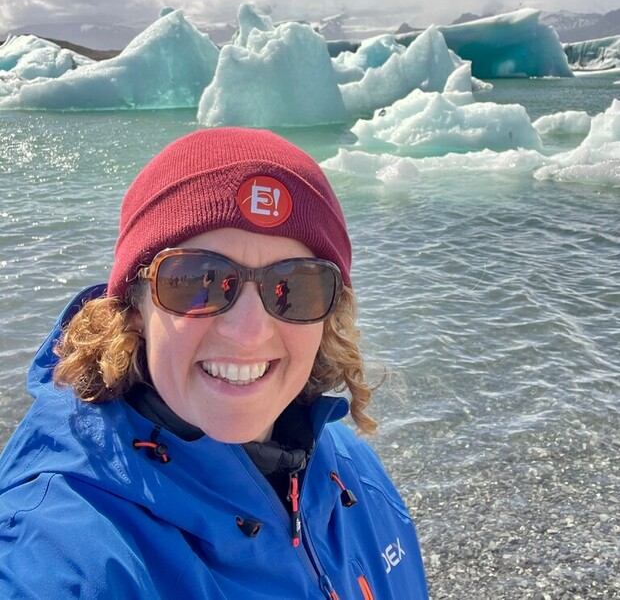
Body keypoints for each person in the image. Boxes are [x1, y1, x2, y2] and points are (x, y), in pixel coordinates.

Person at [0, 128, 428, 599]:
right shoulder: (62, 554)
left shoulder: (347, 467)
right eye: (198, 281)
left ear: (330, 313)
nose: (248, 331)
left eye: (296, 286)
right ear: (134, 308)